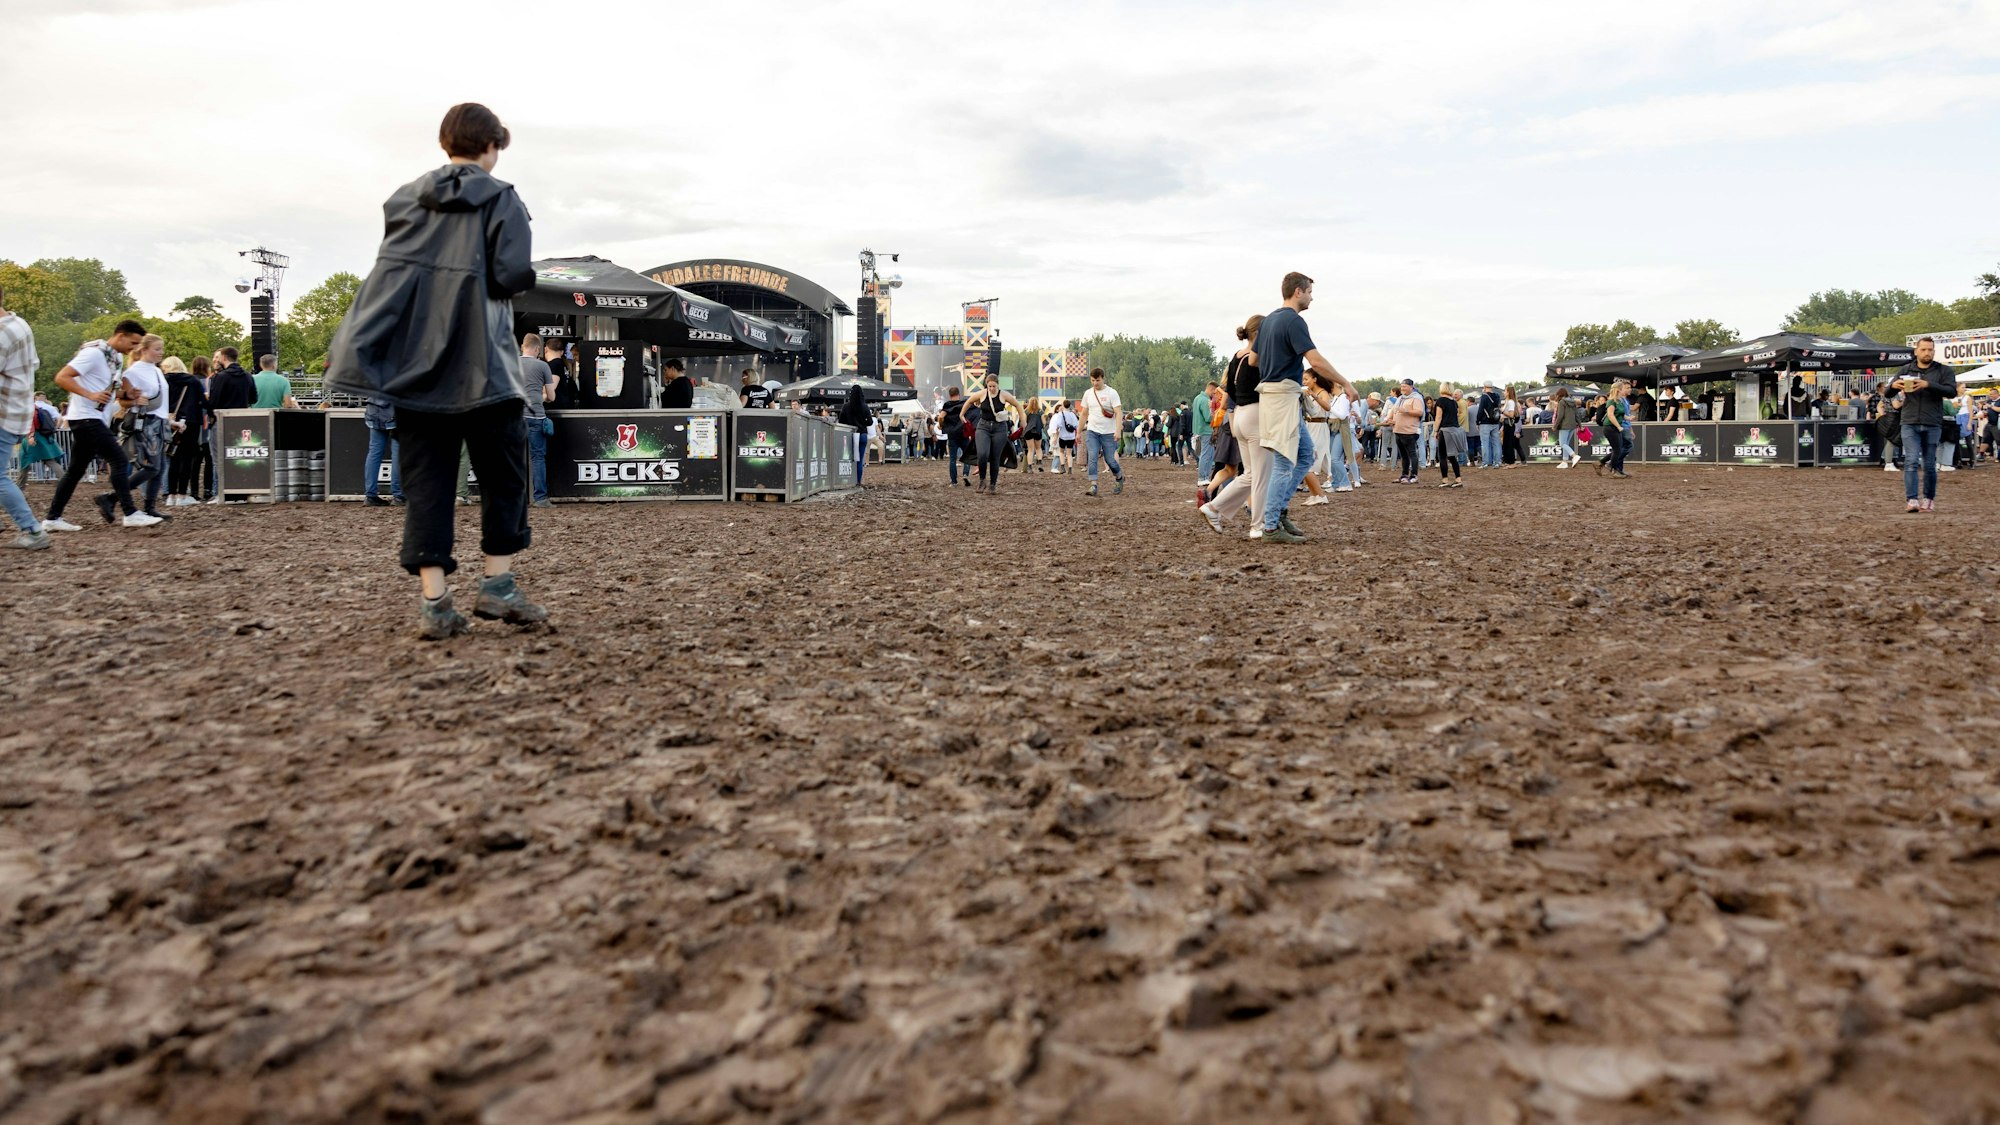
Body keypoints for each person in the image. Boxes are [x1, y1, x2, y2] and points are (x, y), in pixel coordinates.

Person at [324, 102, 544, 640]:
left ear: (446, 143)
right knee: (503, 477)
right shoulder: (500, 196)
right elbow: (511, 275)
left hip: (415, 366)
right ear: (491, 145)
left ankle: (436, 602)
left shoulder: (404, 199)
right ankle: (497, 588)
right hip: (483, 362)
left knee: (427, 485)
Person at [1254, 272, 1355, 544]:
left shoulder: (1268, 321)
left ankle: (1279, 512)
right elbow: (1316, 361)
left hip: (1277, 396)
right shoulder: (1294, 321)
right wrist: (1344, 382)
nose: (1312, 296)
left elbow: (1254, 359)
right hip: (1282, 396)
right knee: (1284, 463)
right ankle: (1272, 525)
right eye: (1310, 291)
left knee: (1304, 454)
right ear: (1298, 291)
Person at [43, 320, 160, 530]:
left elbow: (106, 388)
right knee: (119, 459)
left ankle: (52, 518)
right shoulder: (94, 354)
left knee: (75, 471)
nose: (133, 349)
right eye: (132, 343)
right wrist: (90, 394)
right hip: (86, 418)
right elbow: (62, 377)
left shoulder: (113, 357)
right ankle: (130, 512)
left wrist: (126, 394)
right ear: (120, 335)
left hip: (92, 419)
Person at [1199, 315, 1267, 534]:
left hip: (1238, 417)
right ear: (1260, 333)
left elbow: (1228, 392)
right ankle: (1257, 525)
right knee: (1259, 475)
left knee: (1249, 474)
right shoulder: (1259, 358)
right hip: (1255, 415)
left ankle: (1213, 507)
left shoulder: (1236, 357)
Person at [0, 285, 50, 548]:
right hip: (15, 410)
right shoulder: (19, 323)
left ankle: (32, 531)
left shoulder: (2, 333)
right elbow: (34, 364)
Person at [1894, 336, 1958, 513]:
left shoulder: (1943, 370)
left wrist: (1928, 384)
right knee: (1911, 461)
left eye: (1930, 350)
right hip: (1909, 421)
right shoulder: (1906, 369)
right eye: (1923, 349)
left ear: (1934, 351)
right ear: (1916, 351)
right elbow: (1888, 391)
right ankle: (1912, 499)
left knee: (1929, 464)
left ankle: (1929, 498)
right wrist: (1895, 385)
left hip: (1932, 422)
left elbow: (1951, 391)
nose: (1927, 353)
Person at [119, 334, 173, 520]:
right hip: (147, 421)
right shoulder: (133, 372)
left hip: (159, 421)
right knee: (153, 467)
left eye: (161, 349)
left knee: (160, 466)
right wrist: (134, 399)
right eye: (157, 349)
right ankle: (113, 496)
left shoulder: (156, 370)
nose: (161, 352)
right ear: (143, 350)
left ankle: (150, 507)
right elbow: (123, 402)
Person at [962, 373, 1021, 494]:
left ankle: (992, 484)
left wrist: (1023, 420)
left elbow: (1017, 404)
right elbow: (969, 401)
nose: (992, 389)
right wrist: (961, 414)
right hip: (983, 427)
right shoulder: (982, 394)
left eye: (994, 386)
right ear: (987, 386)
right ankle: (982, 480)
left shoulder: (1004, 395)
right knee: (983, 454)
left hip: (999, 428)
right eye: (990, 386)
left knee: (995, 457)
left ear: (998, 385)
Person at [516, 332, 555, 507]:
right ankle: (540, 498)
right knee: (538, 457)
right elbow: (551, 396)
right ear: (538, 349)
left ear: (522, 347)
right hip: (536, 415)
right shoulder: (543, 366)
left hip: (515, 416)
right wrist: (542, 397)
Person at [162, 356, 205, 506]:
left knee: (173, 457)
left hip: (170, 421)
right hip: (190, 422)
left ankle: (171, 495)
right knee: (187, 459)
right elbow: (202, 401)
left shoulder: (163, 380)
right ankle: (182, 495)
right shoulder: (192, 381)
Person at [1078, 367, 1125, 497]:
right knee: (1092, 456)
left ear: (1103, 378)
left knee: (1110, 460)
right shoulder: (1088, 393)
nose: (1095, 383)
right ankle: (1093, 484)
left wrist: (1117, 430)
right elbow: (1084, 414)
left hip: (1109, 433)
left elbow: (1118, 412)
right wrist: (1078, 432)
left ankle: (1119, 477)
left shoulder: (1112, 393)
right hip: (1092, 431)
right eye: (1092, 380)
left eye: (1097, 380)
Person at [1595, 380, 1634, 478]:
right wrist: (1619, 426)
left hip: (1614, 428)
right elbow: (1610, 415)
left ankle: (1605, 464)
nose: (1623, 391)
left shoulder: (1618, 401)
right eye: (1622, 389)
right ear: (1618, 390)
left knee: (1618, 449)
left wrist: (1629, 418)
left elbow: (1621, 414)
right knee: (1618, 450)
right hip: (1610, 428)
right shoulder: (1611, 401)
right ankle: (1613, 468)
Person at [837, 383, 872, 487]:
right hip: (862, 435)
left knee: (848, 459)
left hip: (849, 435)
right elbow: (870, 422)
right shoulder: (865, 407)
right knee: (860, 460)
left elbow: (841, 422)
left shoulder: (846, 407)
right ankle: (858, 481)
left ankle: (848, 479)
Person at [1432, 383, 1466, 488]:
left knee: (1442, 456)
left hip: (1445, 430)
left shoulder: (1440, 401)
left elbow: (1438, 417)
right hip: (1455, 430)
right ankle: (1458, 479)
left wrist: (1435, 431)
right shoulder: (1454, 402)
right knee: (1452, 456)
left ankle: (1445, 480)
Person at [938, 385, 973, 487]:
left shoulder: (947, 405)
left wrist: (941, 425)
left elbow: (941, 417)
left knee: (952, 459)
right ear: (959, 394)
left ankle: (954, 482)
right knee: (967, 456)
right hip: (963, 433)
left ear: (950, 395)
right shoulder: (964, 404)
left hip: (952, 435)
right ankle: (965, 474)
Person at [1391, 378, 1423, 483]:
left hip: (1409, 431)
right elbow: (1394, 411)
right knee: (1403, 455)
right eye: (1401, 386)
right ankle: (1404, 475)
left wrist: (1406, 411)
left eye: (1405, 386)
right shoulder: (1400, 398)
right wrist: (1390, 419)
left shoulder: (1416, 398)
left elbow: (1420, 412)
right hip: (1398, 430)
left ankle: (1414, 475)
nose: (1402, 388)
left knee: (1412, 453)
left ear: (1411, 387)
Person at [1551, 386, 1581, 468]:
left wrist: (1555, 426)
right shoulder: (1573, 402)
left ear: (1559, 394)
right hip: (1573, 425)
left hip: (1564, 425)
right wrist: (1580, 425)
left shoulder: (1561, 402)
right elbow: (1576, 415)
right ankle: (1564, 462)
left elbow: (1560, 416)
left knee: (1562, 443)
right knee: (1566, 443)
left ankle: (1574, 456)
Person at [1475, 382, 1502, 469]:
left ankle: (1485, 463)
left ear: (1485, 387)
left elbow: (1480, 410)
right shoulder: (1497, 396)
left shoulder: (1484, 396)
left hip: (1485, 422)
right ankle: (1497, 462)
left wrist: (1477, 421)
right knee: (1496, 443)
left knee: (1484, 443)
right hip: (1495, 421)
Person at [1021, 397, 1045, 472]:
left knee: (1030, 450)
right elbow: (1044, 423)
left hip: (1028, 431)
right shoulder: (1040, 411)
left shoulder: (1026, 411)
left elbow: (1024, 423)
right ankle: (1040, 463)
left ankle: (1029, 467)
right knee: (1038, 448)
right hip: (1037, 431)